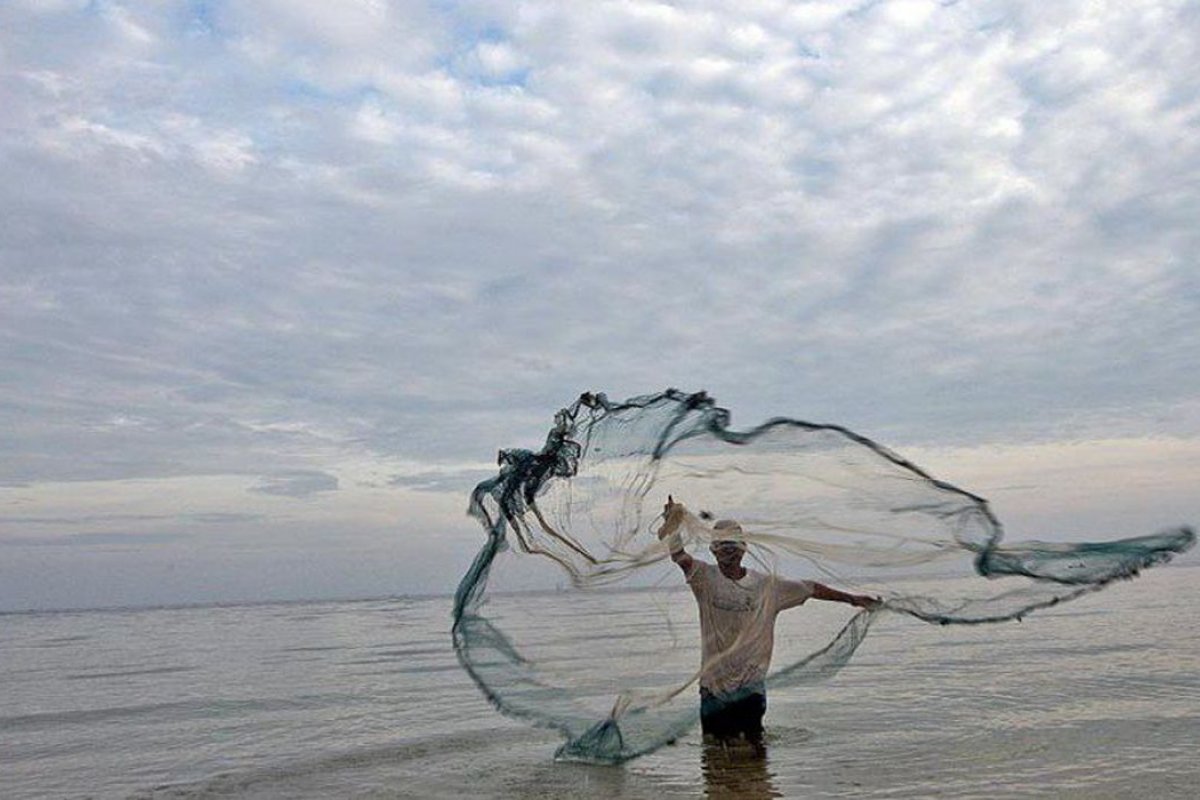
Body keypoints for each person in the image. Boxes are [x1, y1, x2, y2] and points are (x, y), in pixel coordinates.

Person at [658, 496, 878, 745]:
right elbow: (680, 557)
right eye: (722, 547)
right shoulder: (704, 578)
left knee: (754, 752)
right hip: (713, 690)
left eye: (732, 546)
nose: (728, 553)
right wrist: (672, 526)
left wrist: (853, 599)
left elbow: (812, 589)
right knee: (713, 753)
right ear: (713, 551)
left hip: (751, 688)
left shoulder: (766, 586)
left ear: (743, 549)